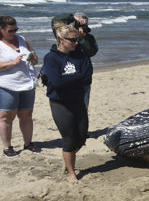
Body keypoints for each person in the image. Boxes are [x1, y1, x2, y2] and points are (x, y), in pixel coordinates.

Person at [41, 24, 93, 181]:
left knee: (82, 137)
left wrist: (69, 79)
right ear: (61, 40)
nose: (76, 42)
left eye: (77, 39)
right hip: (60, 103)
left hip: (78, 101)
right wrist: (76, 76)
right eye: (72, 40)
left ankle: (68, 157)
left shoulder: (80, 55)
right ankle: (72, 173)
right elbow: (57, 83)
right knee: (69, 139)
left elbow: (87, 77)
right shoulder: (51, 58)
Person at [0, 15, 39, 158]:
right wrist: (12, 64)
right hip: (7, 85)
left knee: (26, 116)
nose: (14, 33)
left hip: (27, 84)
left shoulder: (22, 39)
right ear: (1, 30)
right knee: (6, 117)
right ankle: (7, 147)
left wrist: (33, 58)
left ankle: (28, 143)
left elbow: (34, 57)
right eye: (10, 31)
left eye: (15, 29)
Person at [51, 13, 98, 109]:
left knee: (82, 109)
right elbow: (56, 20)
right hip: (65, 78)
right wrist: (73, 18)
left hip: (82, 81)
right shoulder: (64, 36)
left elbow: (91, 52)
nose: (82, 27)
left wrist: (83, 38)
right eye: (80, 24)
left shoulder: (89, 38)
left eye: (85, 25)